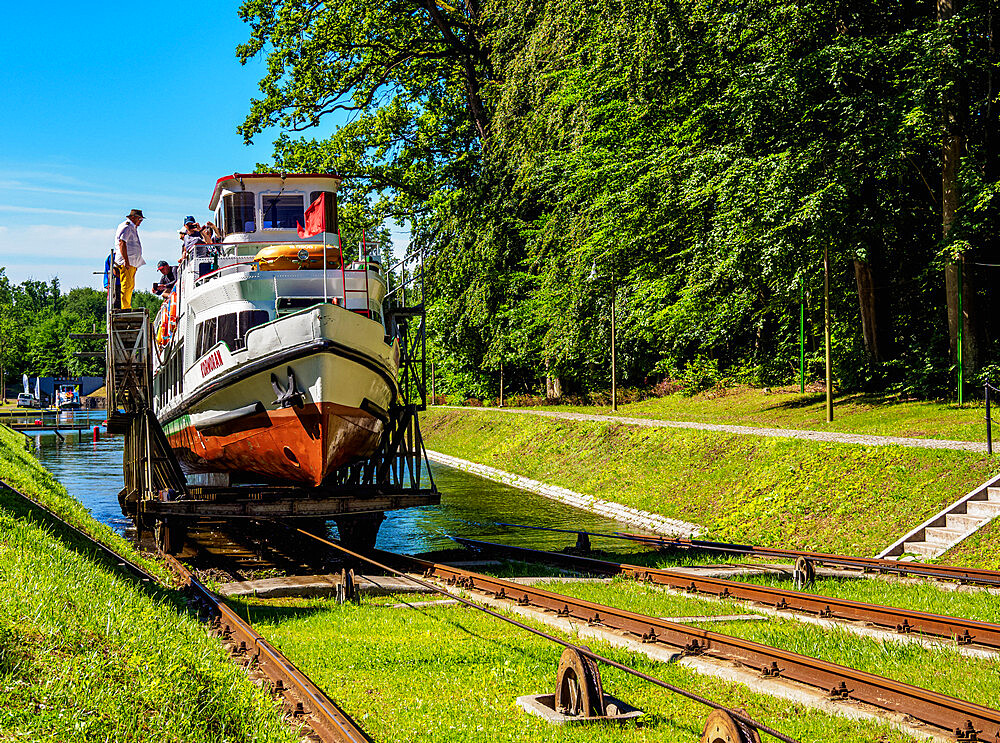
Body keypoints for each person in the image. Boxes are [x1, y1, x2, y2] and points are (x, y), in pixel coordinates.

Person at [114, 209, 145, 309]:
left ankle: (126, 306)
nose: (141, 221)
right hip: (127, 262)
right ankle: (125, 308)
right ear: (133, 217)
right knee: (126, 286)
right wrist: (126, 261)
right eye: (139, 218)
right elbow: (122, 243)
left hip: (132, 262)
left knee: (130, 286)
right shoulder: (127, 227)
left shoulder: (132, 227)